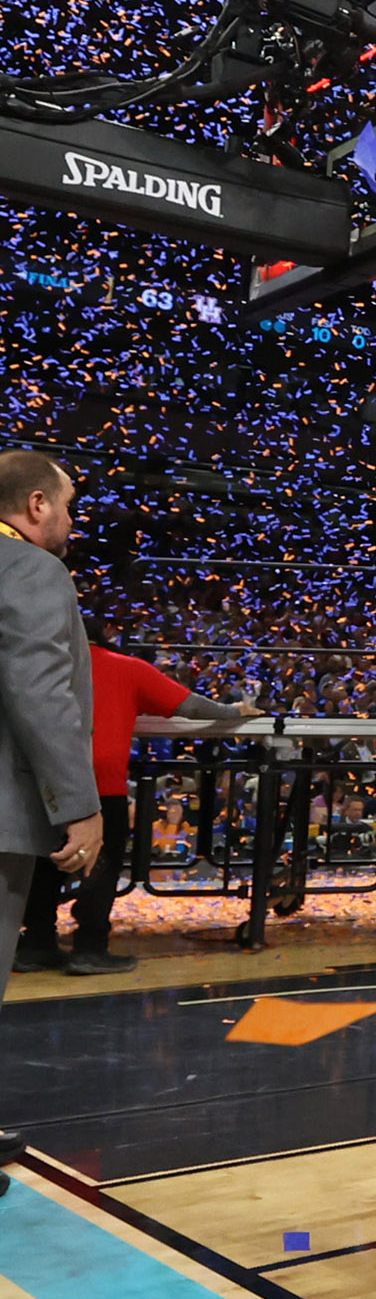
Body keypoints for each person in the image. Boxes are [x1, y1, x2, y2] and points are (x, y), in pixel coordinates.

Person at [0, 453, 109, 1069]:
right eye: (67, 504)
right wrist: (80, 806)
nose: (71, 518)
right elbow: (40, 692)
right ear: (37, 505)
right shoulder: (31, 569)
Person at [20, 627, 189, 975]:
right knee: (100, 865)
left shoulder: (40, 666)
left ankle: (37, 944)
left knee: (44, 864)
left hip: (45, 783)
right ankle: (90, 948)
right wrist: (235, 709)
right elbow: (188, 704)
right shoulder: (127, 666)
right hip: (102, 784)